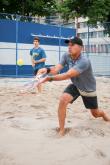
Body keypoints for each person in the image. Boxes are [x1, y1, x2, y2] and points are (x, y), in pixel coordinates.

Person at [38, 37, 110, 136]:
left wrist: (49, 79)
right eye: (69, 45)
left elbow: (68, 75)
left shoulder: (84, 61)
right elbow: (56, 68)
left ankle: (104, 115)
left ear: (81, 48)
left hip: (88, 88)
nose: (69, 47)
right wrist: (46, 70)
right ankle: (62, 130)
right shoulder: (66, 56)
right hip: (76, 85)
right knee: (63, 100)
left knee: (95, 114)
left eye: (72, 45)